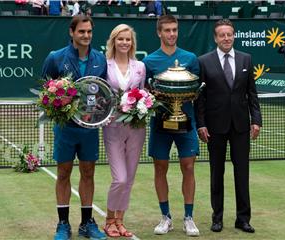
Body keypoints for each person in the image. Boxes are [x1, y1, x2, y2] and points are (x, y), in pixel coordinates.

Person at [42, 15, 107, 240]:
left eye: (89, 32)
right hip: (65, 128)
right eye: (82, 32)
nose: (86, 36)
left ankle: (87, 223)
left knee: (88, 173)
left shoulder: (100, 58)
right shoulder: (55, 58)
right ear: (72, 32)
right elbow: (46, 91)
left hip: (90, 128)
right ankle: (63, 224)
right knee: (63, 173)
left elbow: (103, 93)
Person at [194, 19, 262, 234]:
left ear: (234, 36)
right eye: (222, 35)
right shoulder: (203, 61)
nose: (226, 38)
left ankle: (243, 219)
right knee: (217, 173)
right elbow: (200, 98)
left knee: (242, 174)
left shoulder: (246, 59)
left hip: (241, 126)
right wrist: (201, 124)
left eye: (229, 34)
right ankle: (217, 218)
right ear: (215, 38)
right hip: (215, 127)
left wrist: (256, 120)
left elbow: (252, 93)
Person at [142, 15, 200, 237]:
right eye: (167, 30)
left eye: (174, 30)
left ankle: (188, 217)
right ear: (159, 32)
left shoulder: (191, 59)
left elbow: (197, 92)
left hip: (187, 122)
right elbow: (145, 94)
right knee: (160, 168)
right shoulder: (149, 62)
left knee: (188, 166)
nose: (171, 34)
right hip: (160, 124)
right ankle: (165, 217)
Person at [102, 24, 146, 238]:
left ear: (132, 43)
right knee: (119, 178)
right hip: (112, 127)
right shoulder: (105, 65)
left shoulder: (140, 67)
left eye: (128, 39)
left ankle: (120, 221)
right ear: (113, 41)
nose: (124, 43)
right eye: (120, 39)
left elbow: (143, 94)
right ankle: (109, 219)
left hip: (136, 128)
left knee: (129, 178)